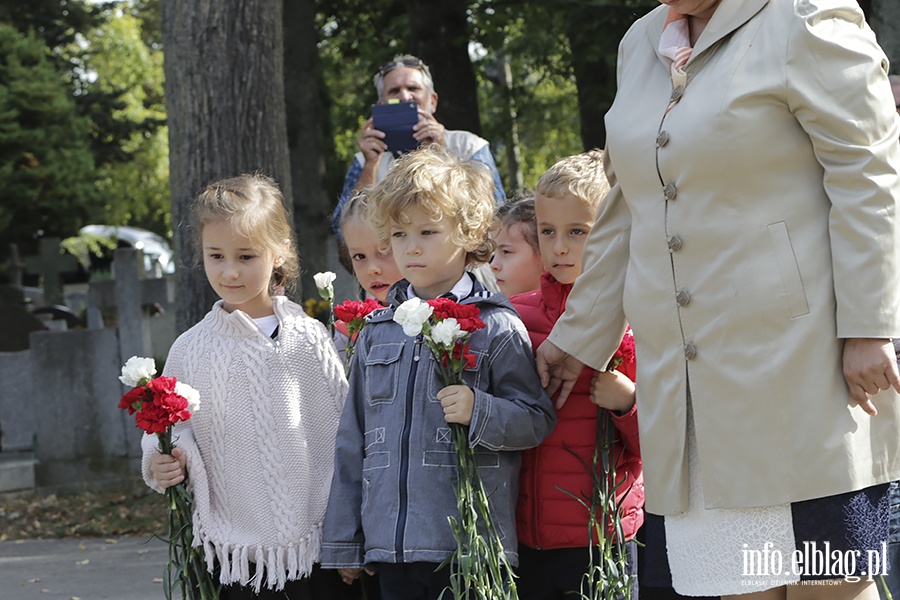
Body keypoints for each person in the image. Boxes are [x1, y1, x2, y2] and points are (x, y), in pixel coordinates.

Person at [535, 1, 900, 599]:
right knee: (736, 583)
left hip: (807, 366)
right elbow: (629, 206)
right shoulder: (640, 42)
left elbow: (870, 173)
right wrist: (579, 337)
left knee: (831, 583)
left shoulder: (807, 16)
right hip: (689, 389)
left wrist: (870, 326)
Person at [321, 145, 556, 600]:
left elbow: (535, 418)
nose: (410, 247)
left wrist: (481, 410)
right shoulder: (377, 332)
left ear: (467, 233)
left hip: (468, 546)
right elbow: (353, 438)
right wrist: (346, 539)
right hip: (390, 546)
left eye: (427, 231)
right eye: (399, 233)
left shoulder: (494, 324)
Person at [142, 174, 352, 599]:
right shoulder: (191, 347)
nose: (230, 271)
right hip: (234, 551)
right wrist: (161, 460)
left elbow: (342, 430)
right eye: (215, 255)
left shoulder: (307, 337)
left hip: (316, 545)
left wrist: (350, 534)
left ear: (279, 254)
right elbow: (168, 427)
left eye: (246, 256)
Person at [511, 150, 643, 600]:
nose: (560, 247)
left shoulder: (635, 318)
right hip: (526, 532)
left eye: (577, 233)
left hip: (601, 534)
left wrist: (628, 402)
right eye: (547, 232)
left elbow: (664, 446)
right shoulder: (516, 315)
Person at [330, 54, 505, 238]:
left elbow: (495, 217)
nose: (405, 96)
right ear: (382, 105)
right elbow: (343, 232)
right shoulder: (365, 158)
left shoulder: (469, 146)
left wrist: (440, 153)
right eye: (394, 91)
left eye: (413, 88)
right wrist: (370, 165)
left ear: (433, 101)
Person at [490, 194, 545, 298]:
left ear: (544, 255)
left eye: (506, 252)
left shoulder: (572, 311)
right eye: (494, 253)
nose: (493, 265)